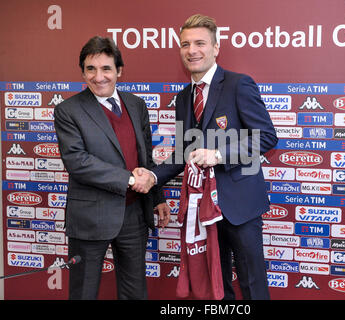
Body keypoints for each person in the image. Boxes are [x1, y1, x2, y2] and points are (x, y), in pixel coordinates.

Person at [135, 14, 278, 299]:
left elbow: (266, 137)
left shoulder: (239, 84)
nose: (192, 50)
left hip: (241, 207)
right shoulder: (184, 98)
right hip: (203, 211)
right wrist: (152, 176)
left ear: (215, 47)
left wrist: (219, 153)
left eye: (200, 43)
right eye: (185, 44)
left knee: (252, 286)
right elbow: (185, 152)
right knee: (217, 288)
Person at [54, 36, 170, 300]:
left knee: (135, 292)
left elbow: (145, 157)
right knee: (84, 292)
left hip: (134, 214)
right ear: (82, 72)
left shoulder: (136, 104)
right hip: (90, 217)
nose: (98, 77)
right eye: (90, 69)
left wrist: (157, 196)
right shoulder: (68, 110)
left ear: (119, 71)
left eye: (106, 68)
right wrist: (131, 180)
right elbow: (77, 162)